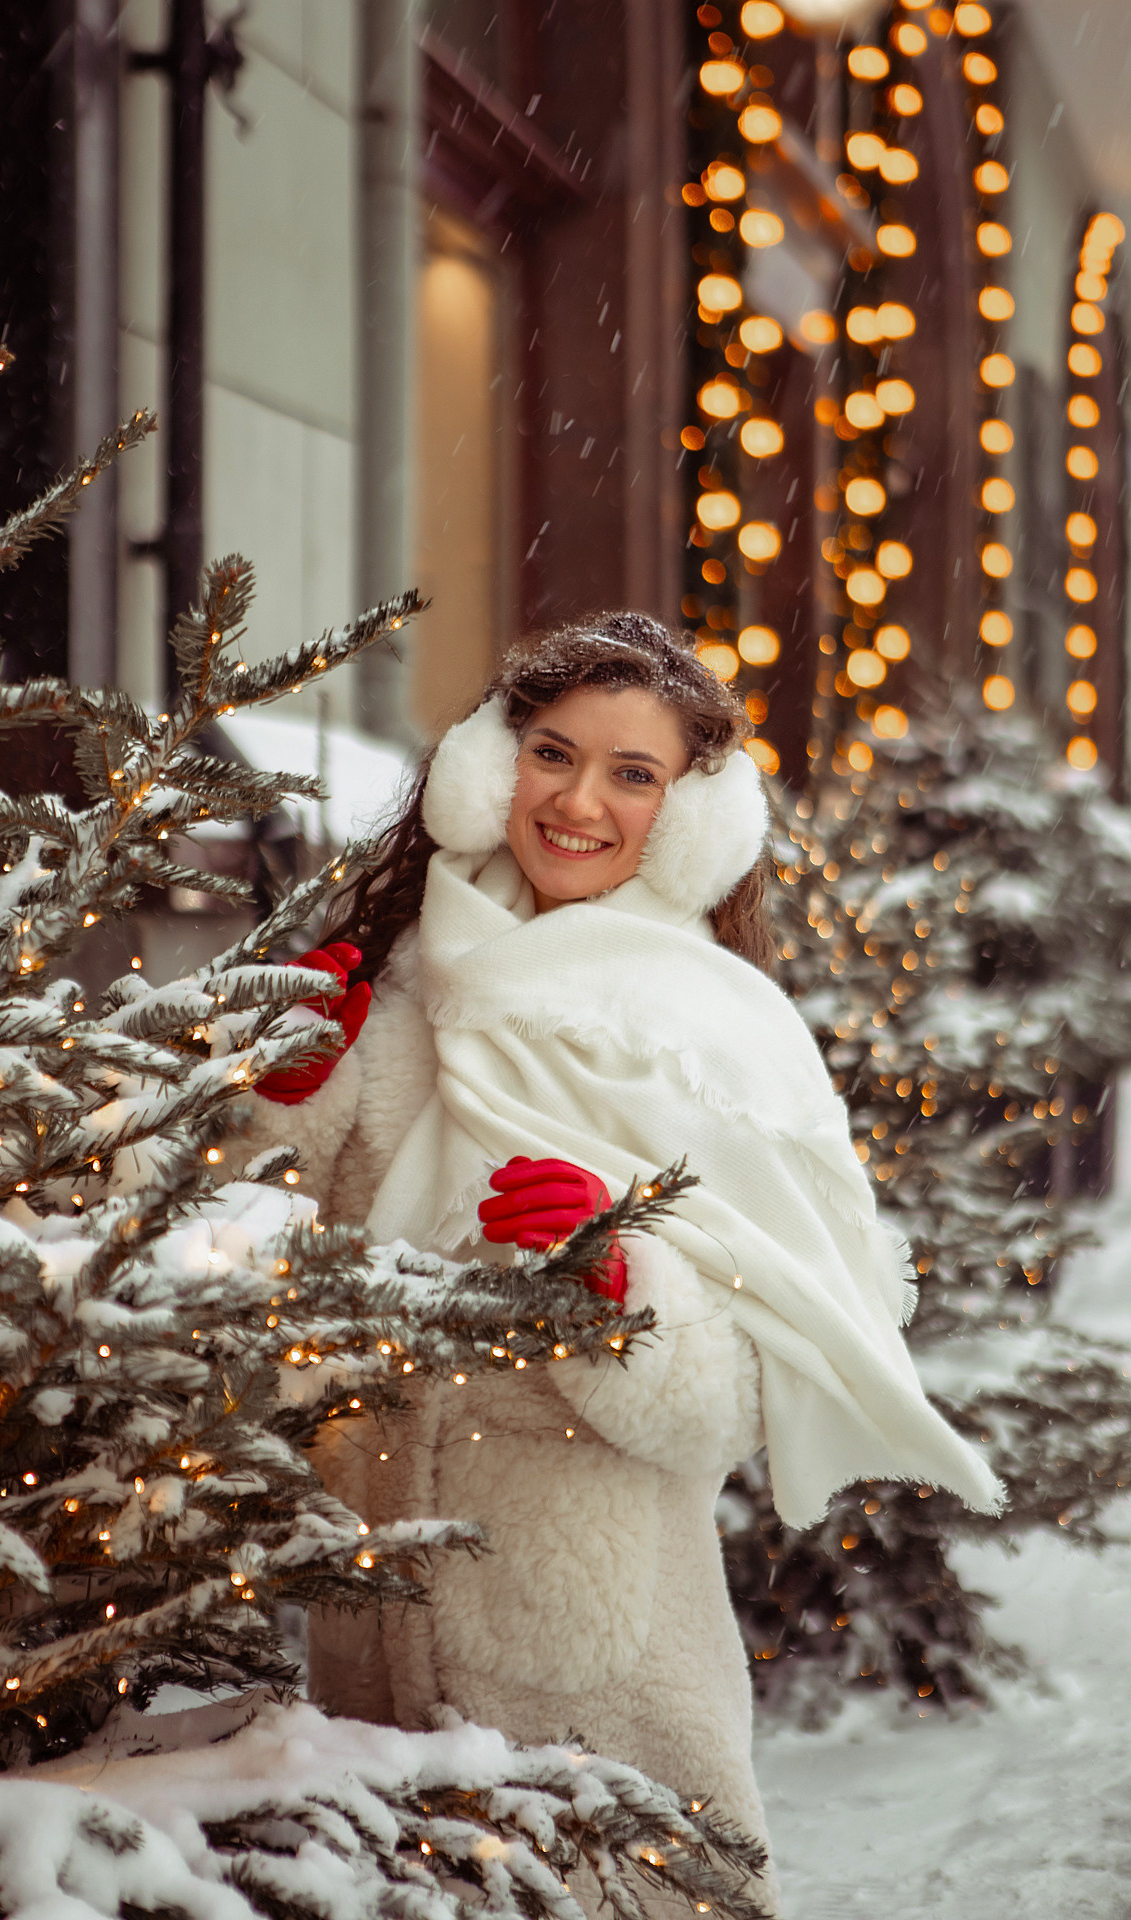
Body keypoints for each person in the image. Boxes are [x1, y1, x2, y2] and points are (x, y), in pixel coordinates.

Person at [227, 612, 1003, 1911]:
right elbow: (217, 1249)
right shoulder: (390, 994)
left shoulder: (713, 1041)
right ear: (488, 768)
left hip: (599, 1657)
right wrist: (274, 1090)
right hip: (366, 1629)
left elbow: (725, 1410)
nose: (579, 800)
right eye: (550, 752)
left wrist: (612, 1273)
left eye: (632, 774)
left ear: (689, 816)